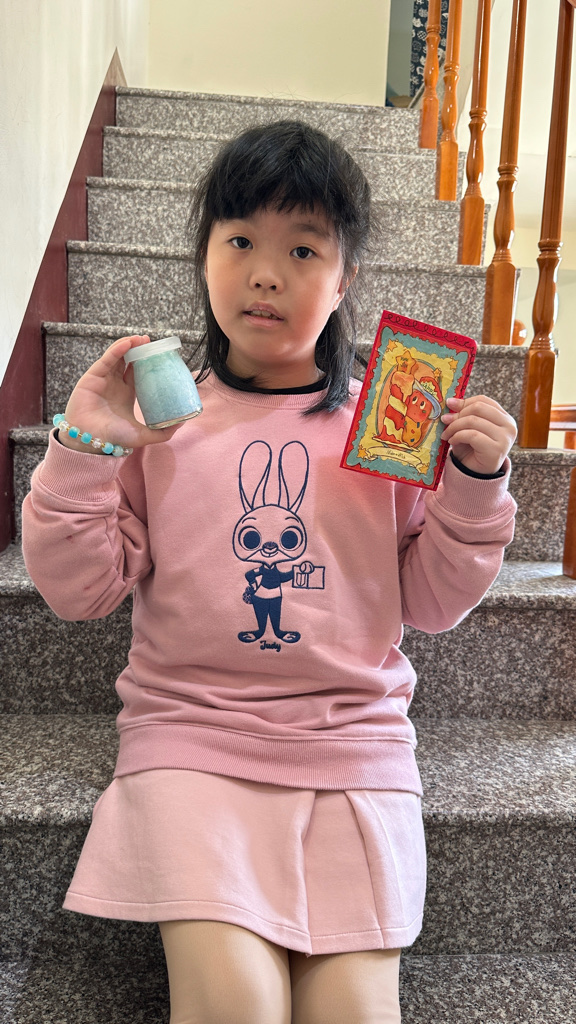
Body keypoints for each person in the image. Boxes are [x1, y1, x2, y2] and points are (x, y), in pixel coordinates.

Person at [22, 120, 517, 1024]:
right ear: (205, 256)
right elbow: (77, 590)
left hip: (354, 749)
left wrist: (475, 489)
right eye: (241, 241)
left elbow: (431, 602)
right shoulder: (161, 426)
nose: (265, 273)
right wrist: (85, 448)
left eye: (303, 250)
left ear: (345, 279)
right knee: (236, 1007)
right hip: (193, 741)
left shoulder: (391, 425)